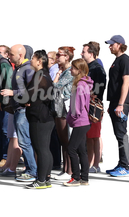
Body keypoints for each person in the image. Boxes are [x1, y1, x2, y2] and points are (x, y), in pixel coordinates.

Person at [1, 44, 37, 182]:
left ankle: (32, 171)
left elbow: (32, 91)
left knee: (24, 142)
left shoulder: (27, 69)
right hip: (18, 109)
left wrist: (12, 92)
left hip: (23, 110)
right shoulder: (20, 68)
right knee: (23, 141)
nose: (9, 56)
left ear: (21, 55)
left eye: (11, 54)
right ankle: (29, 169)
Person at [24, 50, 56, 189]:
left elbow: (27, 95)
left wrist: (24, 99)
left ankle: (41, 180)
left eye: (33, 58)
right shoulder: (46, 75)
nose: (31, 60)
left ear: (39, 61)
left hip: (39, 117)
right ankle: (46, 178)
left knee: (41, 149)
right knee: (45, 149)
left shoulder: (40, 75)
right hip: (46, 116)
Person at [104, 35, 129, 177]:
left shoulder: (125, 60)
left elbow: (126, 82)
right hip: (115, 103)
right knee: (118, 134)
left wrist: (121, 104)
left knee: (121, 134)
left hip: (122, 104)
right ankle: (121, 163)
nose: (110, 46)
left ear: (119, 44)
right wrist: (112, 103)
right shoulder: (117, 60)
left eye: (112, 44)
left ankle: (125, 167)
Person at [63, 59, 94, 186]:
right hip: (84, 121)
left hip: (80, 122)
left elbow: (78, 107)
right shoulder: (84, 83)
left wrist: (71, 117)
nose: (71, 70)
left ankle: (75, 177)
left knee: (71, 148)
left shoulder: (80, 85)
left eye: (73, 68)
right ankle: (84, 178)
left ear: (79, 70)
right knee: (81, 150)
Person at [81, 42, 106, 173]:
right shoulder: (89, 67)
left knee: (95, 136)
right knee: (88, 137)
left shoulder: (97, 68)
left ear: (91, 53)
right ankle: (90, 163)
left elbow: (99, 88)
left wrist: (91, 96)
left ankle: (96, 164)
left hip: (93, 107)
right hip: (87, 105)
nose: (81, 53)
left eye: (83, 51)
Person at [51, 46, 74, 180]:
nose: (57, 57)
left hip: (64, 109)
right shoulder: (64, 70)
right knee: (62, 140)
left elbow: (55, 86)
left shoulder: (69, 72)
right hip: (58, 108)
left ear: (66, 57)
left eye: (59, 55)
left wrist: (58, 75)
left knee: (66, 140)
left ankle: (69, 170)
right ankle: (65, 168)